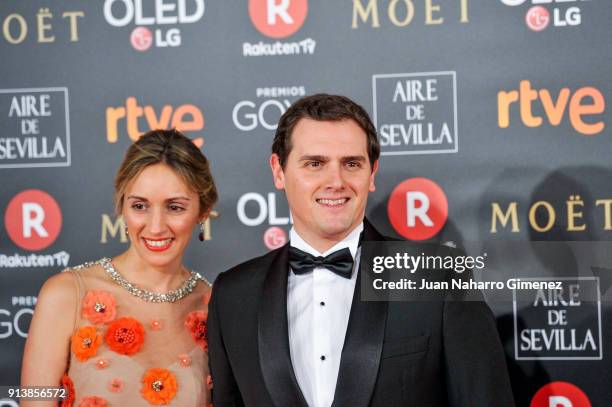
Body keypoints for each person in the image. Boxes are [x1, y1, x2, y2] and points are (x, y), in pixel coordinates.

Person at [208, 94, 515, 406]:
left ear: (372, 173)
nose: (336, 181)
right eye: (315, 164)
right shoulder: (233, 295)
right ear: (278, 170)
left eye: (351, 164)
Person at [21, 129, 217, 406]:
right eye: (140, 206)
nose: (156, 226)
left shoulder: (215, 307)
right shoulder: (66, 294)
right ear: (122, 206)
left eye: (174, 207)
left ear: (203, 211)